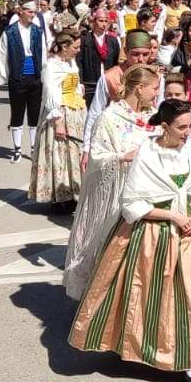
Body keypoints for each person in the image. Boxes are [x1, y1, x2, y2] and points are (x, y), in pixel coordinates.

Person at [67, 99, 191, 382]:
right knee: (146, 293)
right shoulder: (147, 153)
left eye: (189, 126)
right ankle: (139, 347)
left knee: (190, 297)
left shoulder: (187, 150)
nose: (187, 133)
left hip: (187, 234)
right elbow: (131, 202)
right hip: (153, 233)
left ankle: (190, 365)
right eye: (181, 127)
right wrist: (173, 216)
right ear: (165, 127)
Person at [64, 65, 160, 298]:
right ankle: (103, 301)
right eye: (154, 88)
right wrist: (122, 157)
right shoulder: (109, 118)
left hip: (148, 193)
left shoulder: (153, 116)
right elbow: (97, 157)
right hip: (117, 195)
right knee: (112, 250)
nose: (157, 93)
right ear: (140, 88)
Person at [30, 28, 87, 212]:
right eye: (75, 47)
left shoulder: (70, 63)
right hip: (60, 113)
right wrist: (58, 121)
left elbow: (74, 85)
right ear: (64, 46)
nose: (78, 50)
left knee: (74, 154)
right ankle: (59, 197)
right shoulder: (52, 66)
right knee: (59, 154)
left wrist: (79, 92)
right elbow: (50, 95)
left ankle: (73, 193)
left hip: (75, 112)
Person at [0, 1, 48, 164]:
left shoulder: (38, 31)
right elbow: (3, 55)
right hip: (17, 77)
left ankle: (34, 148)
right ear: (20, 11)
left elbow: (43, 53)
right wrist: (7, 77)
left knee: (34, 114)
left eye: (34, 12)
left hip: (35, 76)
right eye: (30, 12)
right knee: (17, 113)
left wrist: (43, 74)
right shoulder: (10, 32)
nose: (33, 15)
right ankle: (17, 149)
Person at [87, 30, 157, 130]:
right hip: (115, 130)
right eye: (135, 54)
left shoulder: (155, 76)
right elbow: (95, 111)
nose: (141, 59)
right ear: (125, 51)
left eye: (145, 54)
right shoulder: (110, 77)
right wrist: (88, 139)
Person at [77, 9, 121, 92]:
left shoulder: (113, 41)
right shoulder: (85, 40)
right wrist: (81, 82)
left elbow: (116, 63)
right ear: (94, 22)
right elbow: (79, 62)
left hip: (108, 83)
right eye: (101, 21)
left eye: (106, 21)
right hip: (90, 84)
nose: (104, 24)